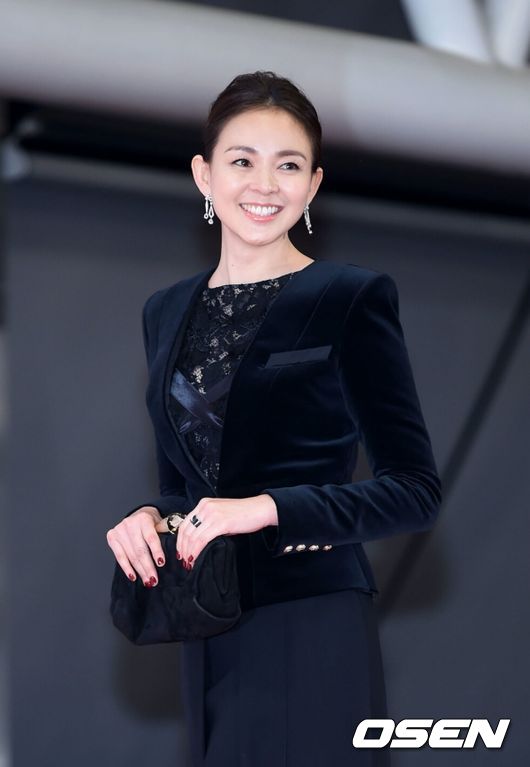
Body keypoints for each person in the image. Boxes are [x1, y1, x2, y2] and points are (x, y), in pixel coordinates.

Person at [106, 70, 442, 766]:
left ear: (313, 185)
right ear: (204, 175)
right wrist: (150, 518)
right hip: (205, 621)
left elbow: (414, 491)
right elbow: (185, 488)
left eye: (288, 165)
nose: (264, 184)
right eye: (242, 160)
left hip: (310, 617)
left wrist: (268, 508)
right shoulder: (164, 311)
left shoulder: (349, 297)